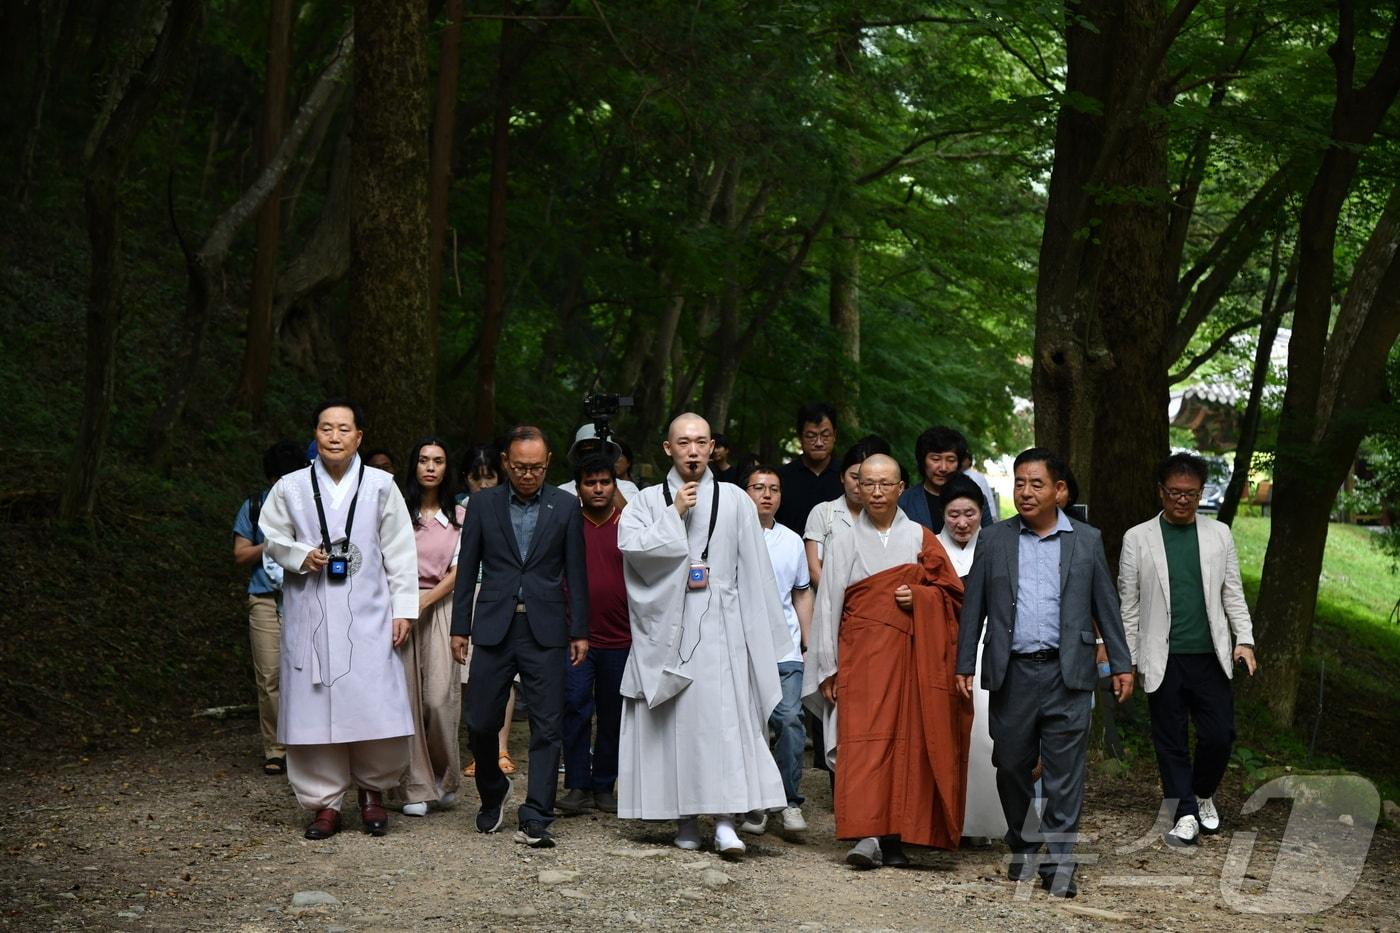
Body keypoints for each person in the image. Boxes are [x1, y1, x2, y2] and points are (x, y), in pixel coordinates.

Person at [955, 448, 1134, 897]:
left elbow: (1105, 606)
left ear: (1060, 490)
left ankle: (1059, 863)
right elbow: (973, 605)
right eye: (1019, 483)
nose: (1026, 492)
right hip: (1012, 673)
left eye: (1037, 484)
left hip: (1067, 672)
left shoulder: (1087, 540)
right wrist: (962, 664)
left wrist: (1122, 663)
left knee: (1064, 773)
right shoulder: (995, 539)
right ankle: (1022, 841)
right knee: (1010, 763)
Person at [616, 413, 791, 858]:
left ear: (713, 447)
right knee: (675, 726)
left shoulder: (736, 499)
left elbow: (755, 571)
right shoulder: (646, 502)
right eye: (683, 443)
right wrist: (675, 514)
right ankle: (685, 817)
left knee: (725, 724)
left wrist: (763, 639)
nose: (692, 451)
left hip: (724, 625)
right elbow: (632, 552)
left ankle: (727, 820)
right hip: (666, 626)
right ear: (667, 448)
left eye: (700, 442)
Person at [258, 399, 418, 840]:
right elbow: (270, 536)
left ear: (359, 437)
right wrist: (298, 554)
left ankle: (372, 793)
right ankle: (323, 804)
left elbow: (401, 551)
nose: (334, 437)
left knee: (372, 702)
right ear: (316, 434)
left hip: (369, 609)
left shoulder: (382, 486)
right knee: (313, 707)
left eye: (343, 429)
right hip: (310, 607)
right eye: (326, 428)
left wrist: (404, 609)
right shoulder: (290, 486)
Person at [803, 454, 969, 869]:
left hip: (911, 659)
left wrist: (922, 598)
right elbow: (827, 608)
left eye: (885, 484)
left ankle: (897, 838)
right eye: (867, 483)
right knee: (863, 747)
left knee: (907, 746)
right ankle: (865, 834)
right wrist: (828, 667)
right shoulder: (842, 541)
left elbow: (951, 593)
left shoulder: (920, 536)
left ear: (900, 488)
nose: (876, 492)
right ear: (857, 487)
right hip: (860, 660)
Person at [450, 425, 590, 850]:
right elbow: (467, 569)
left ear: (548, 464)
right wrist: (461, 626)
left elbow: (575, 572)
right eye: (520, 467)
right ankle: (493, 790)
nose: (528, 475)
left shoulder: (565, 506)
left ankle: (536, 814)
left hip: (545, 629)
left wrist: (579, 629)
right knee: (479, 721)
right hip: (494, 625)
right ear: (506, 464)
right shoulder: (482, 504)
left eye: (536, 467)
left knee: (548, 726)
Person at [1119, 452, 1256, 847]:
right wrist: (1126, 660)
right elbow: (1128, 605)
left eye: (1191, 494)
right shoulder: (1138, 538)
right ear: (1161, 492)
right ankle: (1185, 815)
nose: (1182, 500)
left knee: (1219, 735)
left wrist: (1244, 640)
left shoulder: (1219, 534)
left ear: (1200, 494)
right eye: (1175, 493)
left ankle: (1202, 793)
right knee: (1170, 740)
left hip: (1211, 654)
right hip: (1161, 656)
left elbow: (1233, 592)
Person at [737, 464, 813, 837]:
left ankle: (789, 801)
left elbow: (801, 591)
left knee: (789, 721)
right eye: (758, 487)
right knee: (749, 728)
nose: (767, 495)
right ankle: (753, 804)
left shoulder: (792, 541)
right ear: (744, 493)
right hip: (742, 647)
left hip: (784, 647)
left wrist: (808, 639)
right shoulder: (729, 536)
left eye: (774, 489)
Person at [558, 454, 632, 816]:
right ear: (578, 489)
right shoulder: (568, 523)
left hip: (623, 637)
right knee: (574, 706)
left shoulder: (630, 523)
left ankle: (605, 785)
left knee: (613, 713)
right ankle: (576, 784)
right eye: (591, 483)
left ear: (615, 486)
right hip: (577, 636)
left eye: (605, 482)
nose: (598, 489)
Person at [393, 438, 464, 818]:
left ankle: (445, 777)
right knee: (405, 698)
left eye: (438, 460)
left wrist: (424, 601)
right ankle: (414, 786)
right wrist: (404, 605)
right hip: (399, 609)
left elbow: (458, 571)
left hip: (439, 606)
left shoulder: (459, 517)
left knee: (438, 698)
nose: (430, 467)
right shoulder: (397, 513)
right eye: (423, 460)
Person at [935, 475, 1005, 843]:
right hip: (943, 650)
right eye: (953, 514)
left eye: (970, 514)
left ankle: (987, 824)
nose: (962, 523)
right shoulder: (928, 548)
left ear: (982, 513)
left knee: (986, 737)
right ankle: (950, 820)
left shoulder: (996, 546)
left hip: (986, 648)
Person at [232, 440, 308, 776]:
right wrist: (273, 545)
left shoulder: (311, 506)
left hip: (302, 596)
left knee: (305, 674)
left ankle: (307, 745)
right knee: (269, 675)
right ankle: (276, 748)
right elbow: (240, 554)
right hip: (264, 599)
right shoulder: (254, 506)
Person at [455, 443, 519, 777]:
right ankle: (478, 749)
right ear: (465, 479)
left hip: (503, 595)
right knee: (472, 678)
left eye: (489, 476)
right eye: (476, 477)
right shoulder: (458, 512)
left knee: (505, 674)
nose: (483, 484)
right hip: (471, 595)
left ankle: (502, 747)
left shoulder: (512, 506)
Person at [803, 436, 892, 589]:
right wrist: (839, 601)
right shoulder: (823, 512)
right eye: (854, 477)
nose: (859, 485)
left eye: (867, 479)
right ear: (842, 477)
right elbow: (814, 568)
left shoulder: (887, 515)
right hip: (830, 601)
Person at [897, 426, 995, 533]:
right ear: (922, 461)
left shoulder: (976, 498)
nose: (943, 468)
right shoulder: (905, 501)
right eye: (935, 459)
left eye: (951, 460)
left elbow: (989, 539)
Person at [774, 402, 842, 535]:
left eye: (825, 435)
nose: (818, 443)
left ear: (835, 435)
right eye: (811, 436)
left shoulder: (847, 477)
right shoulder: (781, 478)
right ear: (800, 437)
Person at [557, 424, 641, 504]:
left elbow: (629, 516)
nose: (592, 457)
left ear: (608, 454)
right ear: (577, 455)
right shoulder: (562, 491)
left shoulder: (627, 488)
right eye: (586, 451)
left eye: (596, 450)